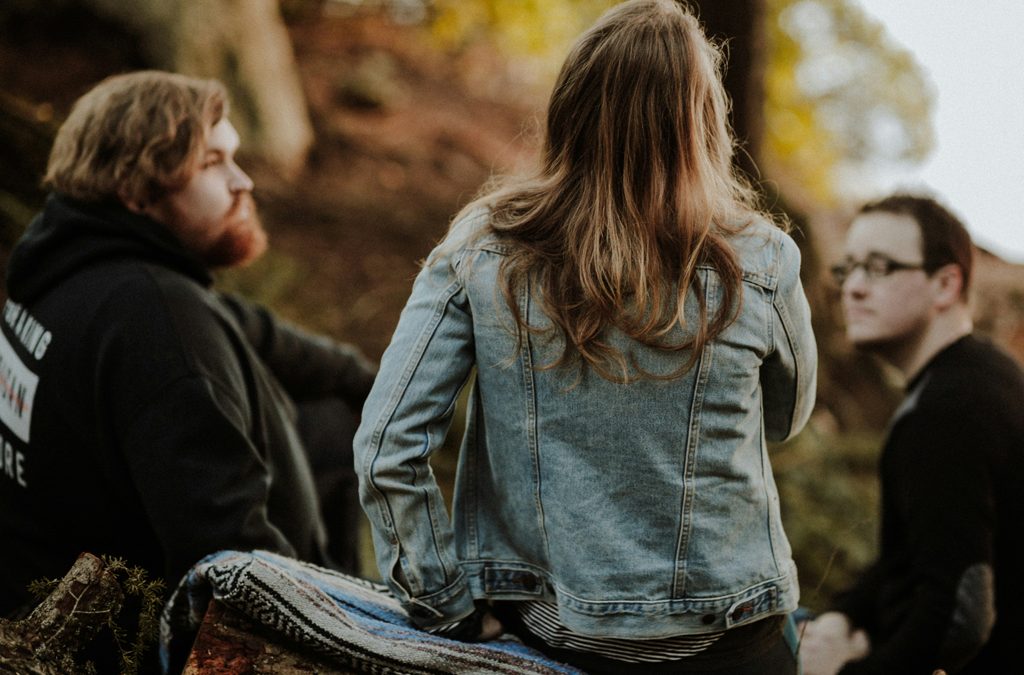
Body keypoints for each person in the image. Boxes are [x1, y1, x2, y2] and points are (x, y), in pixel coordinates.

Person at [353, 2, 817, 673]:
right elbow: (783, 418)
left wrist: (443, 602)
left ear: (570, 106)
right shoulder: (762, 258)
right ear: (704, 122)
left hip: (549, 633)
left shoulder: (485, 246)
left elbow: (385, 445)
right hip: (732, 634)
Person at [0, 71, 376, 620]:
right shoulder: (157, 325)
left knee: (333, 412)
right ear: (136, 190)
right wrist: (345, 628)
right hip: (125, 636)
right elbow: (237, 565)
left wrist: (388, 393)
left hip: (50, 571)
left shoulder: (67, 268)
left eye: (234, 157)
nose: (242, 181)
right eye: (211, 163)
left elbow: (260, 332)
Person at [800, 194, 1024, 674]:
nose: (853, 288)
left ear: (945, 284)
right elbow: (927, 552)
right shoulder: (983, 373)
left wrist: (844, 672)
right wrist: (846, 612)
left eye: (879, 268)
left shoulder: (948, 411)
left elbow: (957, 617)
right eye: (849, 269)